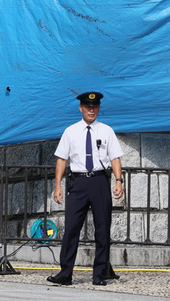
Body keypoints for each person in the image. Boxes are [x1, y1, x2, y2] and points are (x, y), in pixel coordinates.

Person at [47, 91, 124, 287]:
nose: (92, 110)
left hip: (99, 181)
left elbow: (115, 157)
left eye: (95, 106)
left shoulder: (106, 131)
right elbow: (62, 159)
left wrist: (118, 180)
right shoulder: (70, 131)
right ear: (80, 108)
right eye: (88, 106)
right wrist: (57, 186)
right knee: (71, 228)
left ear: (98, 108)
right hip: (79, 183)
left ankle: (100, 273)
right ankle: (65, 273)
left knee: (102, 228)